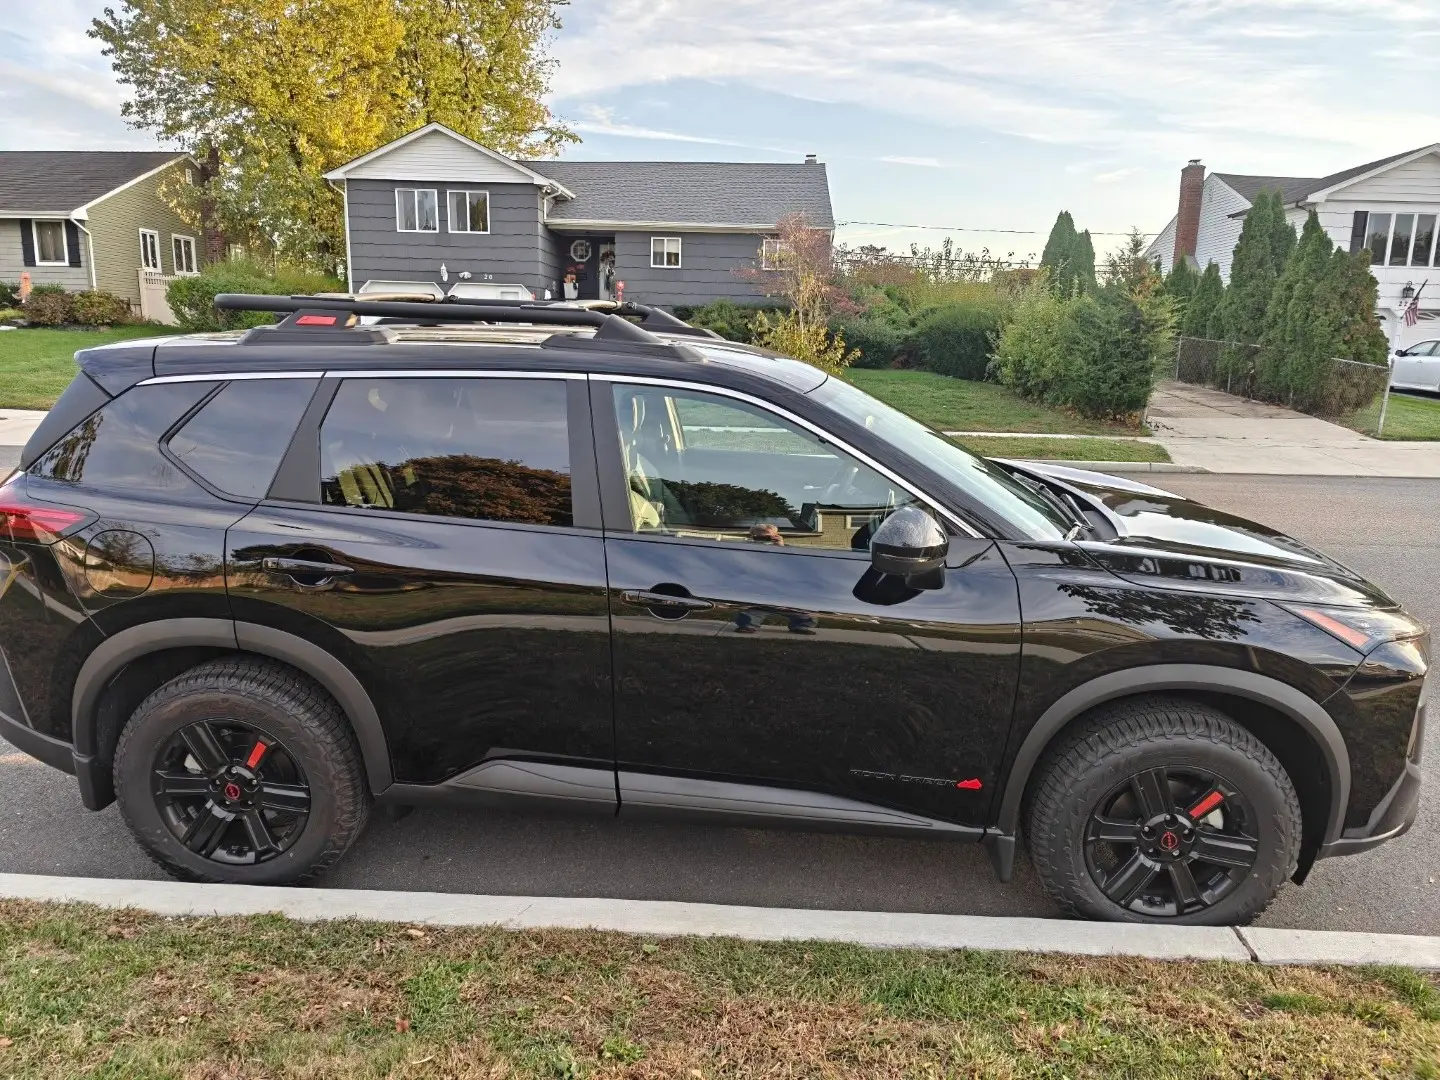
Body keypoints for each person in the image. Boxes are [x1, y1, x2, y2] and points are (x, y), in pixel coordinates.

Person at [734, 525, 818, 635]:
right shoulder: (745, 547)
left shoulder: (786, 548)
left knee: (804, 614)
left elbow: (796, 565)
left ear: (776, 536)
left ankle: (800, 626)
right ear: (753, 536)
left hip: (783, 589)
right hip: (759, 588)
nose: (764, 540)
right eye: (760, 537)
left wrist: (780, 547)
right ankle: (748, 626)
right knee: (752, 613)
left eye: (768, 537)